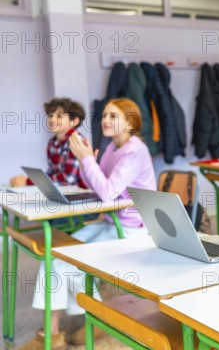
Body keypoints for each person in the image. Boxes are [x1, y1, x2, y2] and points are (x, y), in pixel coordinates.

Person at [23, 98, 156, 349]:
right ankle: (52, 333)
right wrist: (85, 160)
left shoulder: (135, 150)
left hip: (132, 230)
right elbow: (96, 184)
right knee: (56, 255)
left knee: (72, 263)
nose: (105, 120)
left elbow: (107, 193)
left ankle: (96, 317)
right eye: (104, 115)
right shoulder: (111, 147)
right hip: (110, 221)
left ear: (129, 123)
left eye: (113, 116)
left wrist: (86, 160)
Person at [10, 98, 87, 188]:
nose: (52, 120)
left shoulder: (76, 140)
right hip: (61, 191)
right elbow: (52, 171)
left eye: (59, 116)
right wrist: (35, 180)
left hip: (79, 193)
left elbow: (68, 179)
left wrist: (29, 182)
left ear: (74, 121)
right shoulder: (52, 143)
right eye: (51, 115)